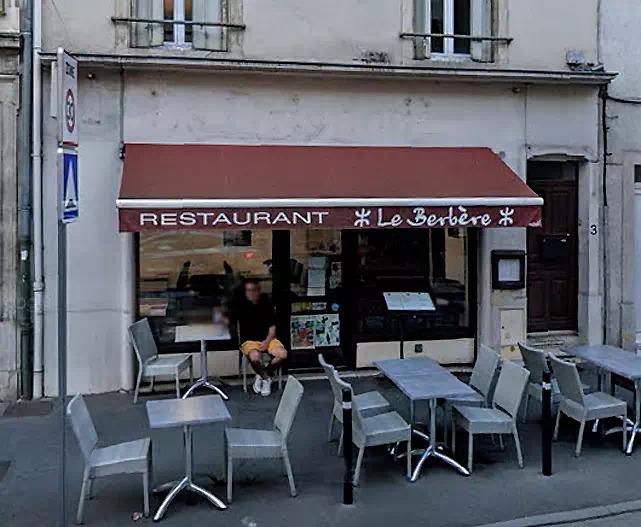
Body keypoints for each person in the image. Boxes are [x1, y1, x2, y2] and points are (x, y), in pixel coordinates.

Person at [236, 278, 287, 396]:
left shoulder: (267, 305)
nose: (251, 293)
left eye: (254, 290)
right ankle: (267, 378)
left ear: (259, 291)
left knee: (282, 354)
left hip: (268, 339)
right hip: (249, 342)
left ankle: (261, 375)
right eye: (248, 290)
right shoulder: (241, 306)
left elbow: (272, 328)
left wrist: (267, 341)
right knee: (254, 356)